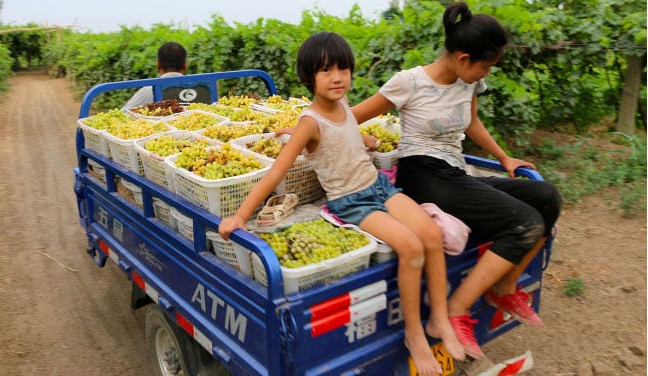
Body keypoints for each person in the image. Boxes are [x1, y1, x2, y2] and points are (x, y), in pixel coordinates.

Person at [218, 31, 465, 376]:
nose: (337, 77)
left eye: (343, 68)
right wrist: (241, 216)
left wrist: (365, 138)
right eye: (325, 70)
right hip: (352, 201)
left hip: (378, 186)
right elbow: (277, 171)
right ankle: (414, 334)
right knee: (411, 247)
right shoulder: (310, 122)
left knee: (430, 234)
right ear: (308, 78)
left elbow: (342, 133)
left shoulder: (344, 105)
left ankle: (439, 318)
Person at [352, 2, 563, 360]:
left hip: (455, 172)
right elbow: (351, 117)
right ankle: (454, 310)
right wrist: (360, 141)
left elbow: (470, 123)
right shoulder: (410, 82)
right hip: (422, 173)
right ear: (463, 58)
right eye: (486, 65)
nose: (487, 74)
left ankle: (505, 285)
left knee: (547, 197)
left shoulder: (470, 82)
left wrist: (503, 158)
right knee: (526, 223)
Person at [122, 41, 187, 110]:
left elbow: (123, 114)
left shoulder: (147, 91)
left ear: (158, 64)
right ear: (185, 65)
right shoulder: (198, 87)